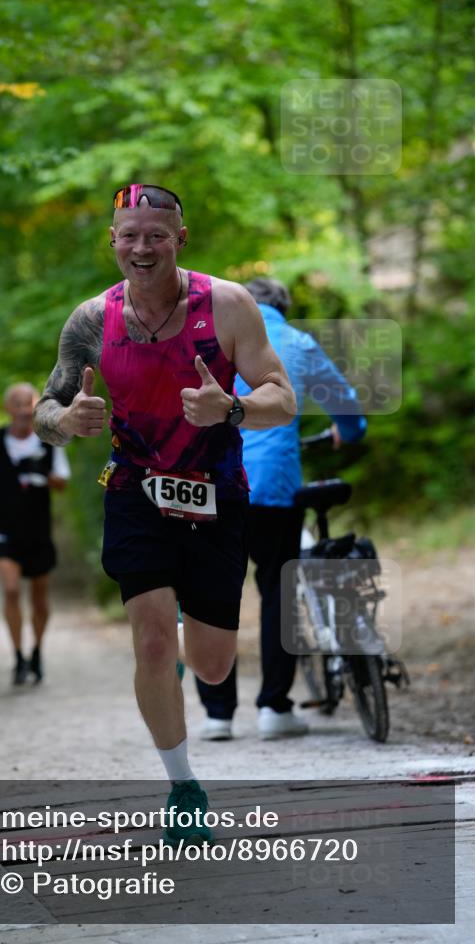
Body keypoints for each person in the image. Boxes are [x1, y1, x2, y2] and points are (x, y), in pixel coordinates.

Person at [34, 184, 296, 845]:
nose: (140, 247)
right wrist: (66, 420)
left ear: (180, 239)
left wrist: (232, 409)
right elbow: (45, 413)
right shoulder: (92, 320)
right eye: (128, 235)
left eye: (155, 235)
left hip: (216, 492)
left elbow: (282, 399)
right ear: (113, 241)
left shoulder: (229, 305)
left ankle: (188, 636)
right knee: (151, 641)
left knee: (210, 666)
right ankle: (181, 786)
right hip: (134, 490)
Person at [195, 278, 367, 741]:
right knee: (278, 593)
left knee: (213, 595)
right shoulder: (296, 341)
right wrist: (348, 434)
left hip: (213, 486)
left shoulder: (208, 337)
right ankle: (274, 708)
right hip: (273, 487)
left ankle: (217, 714)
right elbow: (345, 407)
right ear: (282, 306)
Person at [0, 383, 70, 685]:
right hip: (4, 529)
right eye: (17, 404)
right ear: (7, 408)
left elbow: (62, 484)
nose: (24, 409)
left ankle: (37, 650)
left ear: (36, 407)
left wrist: (42, 473)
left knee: (39, 596)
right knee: (10, 589)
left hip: (38, 530)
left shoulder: (50, 442)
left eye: (29, 403)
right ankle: (18, 656)